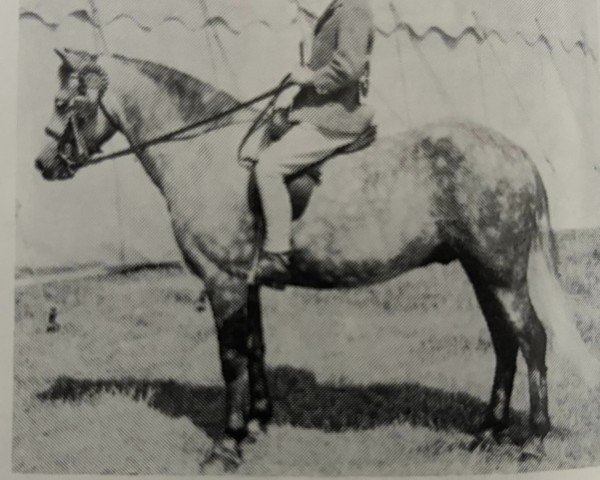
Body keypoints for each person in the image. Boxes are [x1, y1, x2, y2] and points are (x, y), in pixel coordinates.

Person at [251, 0, 375, 286]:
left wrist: (310, 77)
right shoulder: (338, 7)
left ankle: (277, 254)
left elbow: (349, 66)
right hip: (317, 111)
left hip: (334, 117)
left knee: (268, 167)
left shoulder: (353, 8)